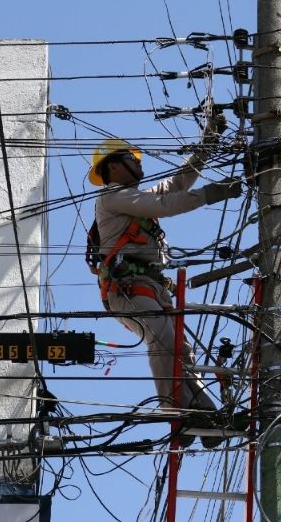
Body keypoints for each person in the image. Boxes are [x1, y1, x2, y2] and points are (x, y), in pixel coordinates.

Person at [86, 116, 242, 448]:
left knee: (180, 351)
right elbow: (166, 204)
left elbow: (177, 185)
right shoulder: (113, 197)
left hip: (149, 288)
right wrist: (215, 192)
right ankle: (176, 413)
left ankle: (206, 417)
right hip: (128, 289)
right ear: (113, 167)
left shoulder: (134, 200)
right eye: (131, 158)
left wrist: (209, 142)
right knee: (161, 338)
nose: (138, 163)